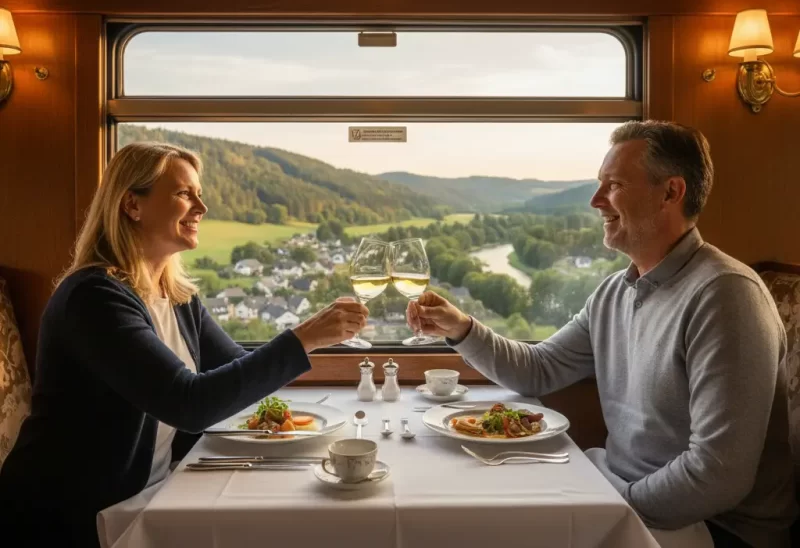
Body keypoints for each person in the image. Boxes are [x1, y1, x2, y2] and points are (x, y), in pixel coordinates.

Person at [408, 121, 797, 548]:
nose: (596, 201)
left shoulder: (726, 297)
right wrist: (461, 328)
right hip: (626, 494)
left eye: (612, 185)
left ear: (671, 192)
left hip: (716, 528)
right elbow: (539, 369)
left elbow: (717, 475)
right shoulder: (615, 291)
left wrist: (615, 506)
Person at [0, 141, 368, 548]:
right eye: (183, 193)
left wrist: (309, 350)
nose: (201, 208)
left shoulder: (176, 295)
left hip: (151, 490)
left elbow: (236, 372)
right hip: (72, 517)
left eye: (199, 193)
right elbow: (189, 403)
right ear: (132, 205)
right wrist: (306, 336)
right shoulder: (94, 298)